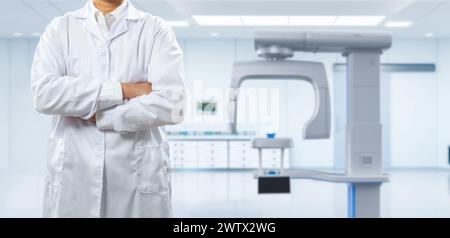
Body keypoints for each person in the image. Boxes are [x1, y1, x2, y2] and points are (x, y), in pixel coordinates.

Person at [30, 0, 185, 217]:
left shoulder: (155, 30)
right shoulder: (60, 29)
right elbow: (44, 94)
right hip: (74, 180)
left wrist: (104, 115)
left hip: (137, 182)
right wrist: (123, 90)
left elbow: (172, 103)